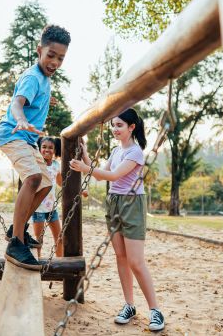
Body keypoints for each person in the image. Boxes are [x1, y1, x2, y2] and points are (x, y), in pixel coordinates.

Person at [69, 108, 165, 331]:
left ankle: (155, 311)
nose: (115, 129)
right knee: (121, 257)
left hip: (132, 204)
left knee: (136, 262)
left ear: (132, 127)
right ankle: (129, 305)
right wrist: (84, 155)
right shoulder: (116, 151)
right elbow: (102, 170)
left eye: (119, 125)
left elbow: (112, 176)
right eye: (113, 125)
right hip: (113, 203)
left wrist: (85, 168)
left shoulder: (135, 152)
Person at [0, 24, 71, 270]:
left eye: (60, 58)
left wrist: (46, 100)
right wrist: (20, 119)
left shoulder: (44, 80)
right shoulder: (32, 77)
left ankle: (15, 229)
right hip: (13, 133)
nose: (55, 62)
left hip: (27, 141)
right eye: (50, 55)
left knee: (46, 183)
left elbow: (33, 97)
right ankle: (16, 243)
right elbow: (17, 103)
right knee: (33, 178)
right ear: (39, 50)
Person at [31, 137, 63, 258]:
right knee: (38, 241)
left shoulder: (56, 165)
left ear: (55, 150)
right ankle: (37, 263)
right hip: (38, 209)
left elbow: (61, 183)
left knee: (59, 237)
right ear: (39, 148)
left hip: (52, 209)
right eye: (44, 147)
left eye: (50, 147)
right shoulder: (36, 164)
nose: (47, 150)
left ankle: (60, 263)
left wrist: (80, 190)